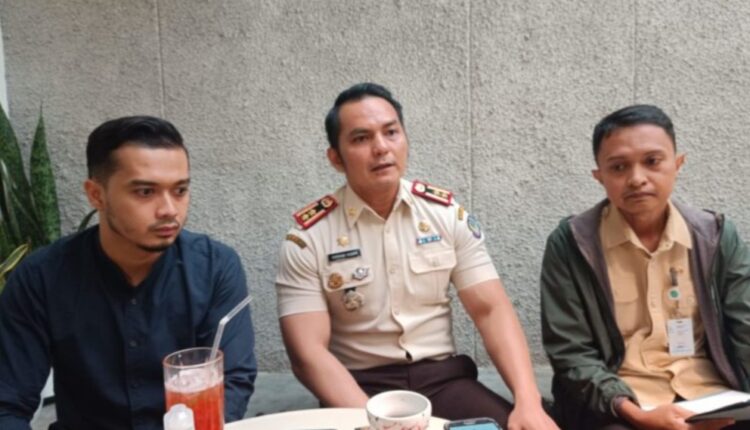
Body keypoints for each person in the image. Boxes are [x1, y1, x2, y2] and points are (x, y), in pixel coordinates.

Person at [276, 82, 557, 429]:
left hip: (442, 381)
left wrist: (528, 401)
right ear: (336, 158)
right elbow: (308, 354)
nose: (381, 147)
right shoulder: (308, 238)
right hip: (358, 388)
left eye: (391, 132)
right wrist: (374, 422)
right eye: (361, 138)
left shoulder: (445, 215)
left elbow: (491, 310)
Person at [0, 116, 257, 430]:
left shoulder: (215, 267)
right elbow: (7, 403)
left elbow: (232, 380)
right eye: (145, 192)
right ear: (96, 195)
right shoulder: (42, 277)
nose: (169, 210)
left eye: (180, 190)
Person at [540, 104, 749, 430]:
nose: (637, 179)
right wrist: (637, 415)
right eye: (619, 167)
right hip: (618, 404)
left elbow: (745, 327)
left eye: (652, 161)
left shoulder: (715, 237)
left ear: (677, 164)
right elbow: (571, 353)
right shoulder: (572, 244)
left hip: (712, 396)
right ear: (599, 176)